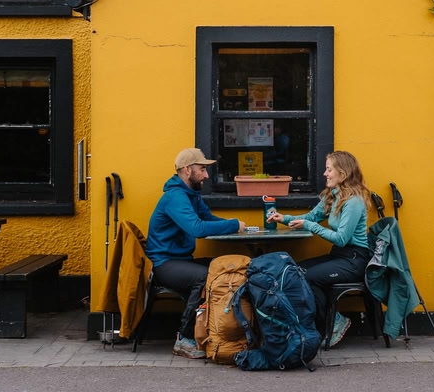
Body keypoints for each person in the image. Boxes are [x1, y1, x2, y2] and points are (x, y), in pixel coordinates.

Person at [145, 147, 246, 359]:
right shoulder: (176, 197)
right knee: (203, 277)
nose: (207, 175)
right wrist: (233, 224)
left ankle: (221, 331)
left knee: (222, 268)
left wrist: (238, 226)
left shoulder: (192, 195)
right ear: (187, 170)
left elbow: (208, 219)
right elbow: (197, 229)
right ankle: (183, 338)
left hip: (181, 260)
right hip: (165, 264)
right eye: (202, 169)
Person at [266, 150, 371, 348]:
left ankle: (334, 321)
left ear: (343, 173)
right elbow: (312, 217)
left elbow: (341, 238)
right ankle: (317, 324)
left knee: (308, 277)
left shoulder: (354, 202)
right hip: (339, 256)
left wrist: (310, 227)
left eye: (329, 169)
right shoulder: (333, 196)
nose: (325, 173)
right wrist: (285, 218)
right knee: (295, 271)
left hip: (354, 260)